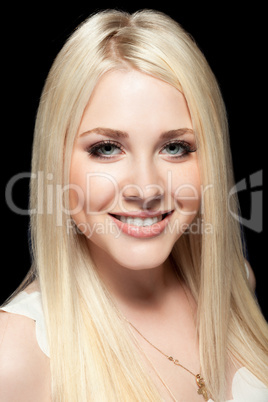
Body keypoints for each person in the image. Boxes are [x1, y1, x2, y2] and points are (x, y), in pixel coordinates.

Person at [0, 9, 267, 402]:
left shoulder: (234, 283)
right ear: (55, 163)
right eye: (106, 149)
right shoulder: (16, 356)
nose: (146, 188)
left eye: (176, 147)